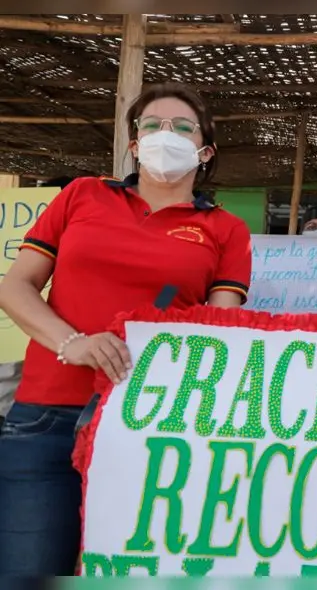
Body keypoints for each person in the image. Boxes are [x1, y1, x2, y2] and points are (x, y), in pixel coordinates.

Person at [0, 82, 252, 576]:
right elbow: (15, 288)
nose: (166, 133)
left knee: (126, 576)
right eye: (152, 125)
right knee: (27, 573)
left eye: (182, 127)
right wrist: (72, 343)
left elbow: (221, 330)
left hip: (150, 424)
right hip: (46, 418)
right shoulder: (81, 195)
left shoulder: (226, 229)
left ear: (204, 151)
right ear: (134, 144)